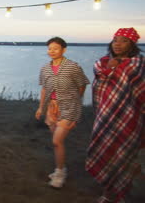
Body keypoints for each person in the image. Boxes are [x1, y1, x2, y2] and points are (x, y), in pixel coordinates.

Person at [86, 27, 144, 203]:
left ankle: (120, 194)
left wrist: (115, 69)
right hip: (105, 116)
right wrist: (109, 69)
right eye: (115, 40)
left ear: (132, 44)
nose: (118, 44)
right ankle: (108, 192)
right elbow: (99, 85)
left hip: (129, 117)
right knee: (107, 151)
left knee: (124, 155)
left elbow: (140, 90)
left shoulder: (137, 64)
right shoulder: (102, 62)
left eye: (124, 40)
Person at [35, 37, 90, 188]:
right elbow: (44, 89)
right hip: (51, 108)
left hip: (69, 107)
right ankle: (60, 167)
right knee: (57, 143)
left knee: (56, 141)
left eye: (56, 48)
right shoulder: (45, 68)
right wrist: (41, 107)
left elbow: (81, 85)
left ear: (63, 50)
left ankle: (60, 173)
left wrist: (75, 102)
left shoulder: (73, 67)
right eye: (49, 48)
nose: (52, 51)